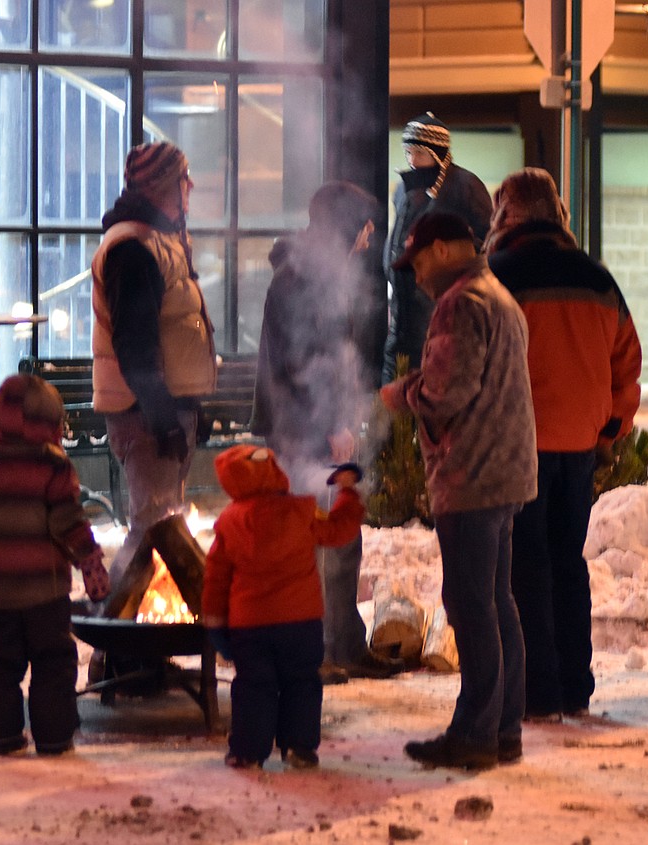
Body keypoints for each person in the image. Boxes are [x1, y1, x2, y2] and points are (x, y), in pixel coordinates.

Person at [379, 211, 537, 770]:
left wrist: (399, 395)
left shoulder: (461, 303)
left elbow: (445, 392)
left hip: (471, 474)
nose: (416, 275)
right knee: (497, 604)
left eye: (419, 260)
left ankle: (474, 735)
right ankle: (503, 730)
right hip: (505, 472)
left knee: (472, 609)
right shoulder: (499, 296)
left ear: (443, 250)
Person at [485, 168, 643, 721]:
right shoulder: (598, 279)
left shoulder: (497, 275)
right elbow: (628, 362)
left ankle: (538, 692)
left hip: (518, 446)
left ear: (508, 214)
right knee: (567, 564)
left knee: (524, 567)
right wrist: (608, 430)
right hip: (579, 448)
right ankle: (576, 686)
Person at [250, 180, 403, 684]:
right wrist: (333, 425)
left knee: (338, 539)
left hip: (316, 429)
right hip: (305, 432)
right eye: (363, 224)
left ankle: (342, 643)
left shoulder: (318, 273)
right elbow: (301, 360)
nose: (370, 233)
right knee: (316, 544)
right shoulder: (301, 278)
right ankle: (313, 651)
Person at [0, 374, 111, 755]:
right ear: (51, 425)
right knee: (53, 662)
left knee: (0, 661)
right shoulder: (53, 465)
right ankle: (54, 736)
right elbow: (67, 522)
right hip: (44, 590)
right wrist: (89, 560)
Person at [89, 141, 216, 586]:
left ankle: (133, 640)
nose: (191, 186)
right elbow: (135, 346)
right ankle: (117, 643)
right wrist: (163, 419)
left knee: (161, 530)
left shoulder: (158, 240)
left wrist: (189, 408)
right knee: (153, 533)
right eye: (184, 178)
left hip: (159, 412)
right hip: (144, 416)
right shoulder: (134, 248)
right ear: (166, 185)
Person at [202, 444, 365, 770]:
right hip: (301, 622)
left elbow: (215, 581)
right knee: (302, 682)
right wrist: (348, 493)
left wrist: (216, 626)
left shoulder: (229, 522)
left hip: (250, 627)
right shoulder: (302, 511)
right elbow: (338, 529)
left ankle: (248, 751)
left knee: (253, 686)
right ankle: (300, 747)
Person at [382, 112, 494, 382]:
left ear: (437, 152)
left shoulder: (466, 187)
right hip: (401, 311)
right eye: (408, 152)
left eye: (419, 153)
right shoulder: (403, 190)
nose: (412, 161)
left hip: (441, 310)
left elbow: (487, 241)